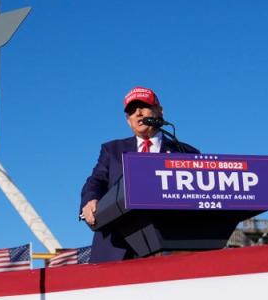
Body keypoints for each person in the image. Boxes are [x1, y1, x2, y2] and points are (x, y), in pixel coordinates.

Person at [80, 86, 198, 262]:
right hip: (118, 248)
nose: (138, 113)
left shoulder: (186, 153)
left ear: (159, 111)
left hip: (170, 247)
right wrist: (90, 200)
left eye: (143, 106)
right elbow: (96, 181)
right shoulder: (112, 150)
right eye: (132, 111)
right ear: (128, 120)